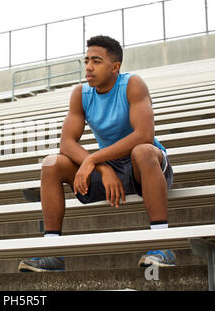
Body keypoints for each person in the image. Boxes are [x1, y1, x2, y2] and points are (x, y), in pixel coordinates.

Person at [18, 35, 175, 272]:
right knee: (52, 164)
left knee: (143, 151)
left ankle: (163, 244)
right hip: (109, 167)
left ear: (115, 67)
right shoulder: (80, 94)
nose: (88, 67)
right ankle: (52, 251)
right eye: (86, 60)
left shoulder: (132, 84)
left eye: (97, 61)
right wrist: (102, 167)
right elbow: (67, 143)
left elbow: (143, 135)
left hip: (144, 167)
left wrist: (93, 159)